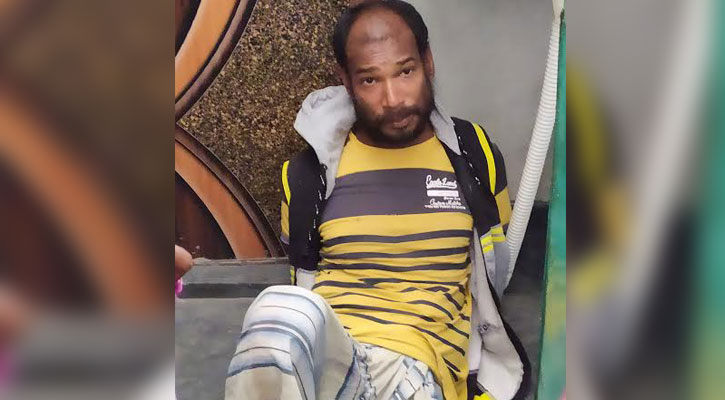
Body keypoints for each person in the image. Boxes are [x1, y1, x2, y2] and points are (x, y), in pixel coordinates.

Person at [225, 1, 527, 399]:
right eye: (370, 80)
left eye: (405, 72)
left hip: (417, 367)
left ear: (428, 63)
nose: (393, 98)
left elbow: (494, 262)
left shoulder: (472, 155)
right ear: (346, 81)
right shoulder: (307, 175)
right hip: (332, 360)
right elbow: (299, 274)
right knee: (275, 310)